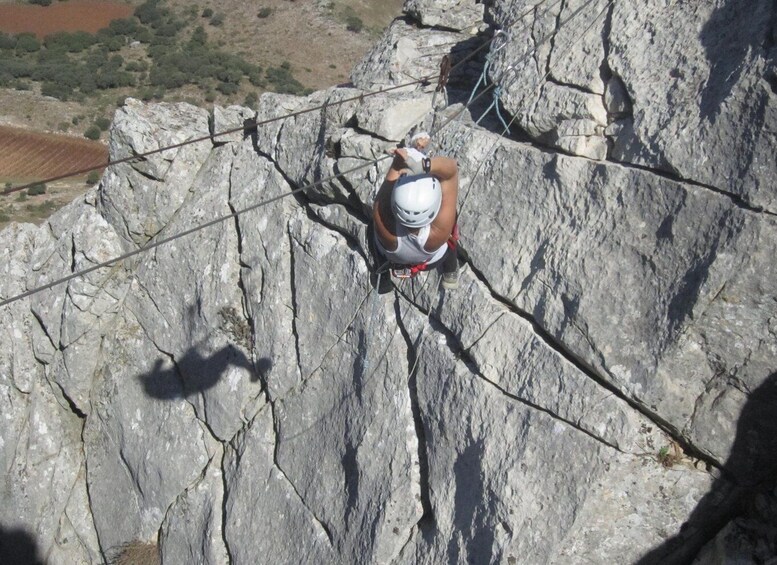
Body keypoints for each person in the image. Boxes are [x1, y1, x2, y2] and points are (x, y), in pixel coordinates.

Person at [372, 146, 459, 292]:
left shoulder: (382, 220)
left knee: (372, 228)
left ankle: (381, 273)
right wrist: (423, 166)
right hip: (430, 261)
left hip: (393, 258)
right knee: (451, 230)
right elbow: (451, 170)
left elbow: (395, 170)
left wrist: (398, 163)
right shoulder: (439, 233)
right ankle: (450, 271)